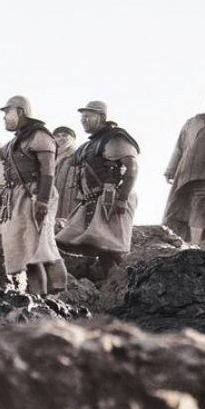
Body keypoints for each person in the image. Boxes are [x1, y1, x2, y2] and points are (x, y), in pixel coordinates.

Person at [56, 101, 141, 280]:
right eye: (82, 116)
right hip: (93, 200)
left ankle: (130, 283)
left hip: (113, 198)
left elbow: (132, 167)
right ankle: (111, 285)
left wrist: (122, 199)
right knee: (100, 247)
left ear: (101, 117)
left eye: (88, 116)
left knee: (115, 248)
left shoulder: (115, 138)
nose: (83, 120)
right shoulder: (88, 146)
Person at [0, 95, 67, 295]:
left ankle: (60, 296)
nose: (4, 117)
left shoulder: (40, 136)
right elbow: (13, 177)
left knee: (45, 248)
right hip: (18, 198)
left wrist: (42, 201)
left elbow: (48, 171)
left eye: (7, 112)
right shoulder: (17, 141)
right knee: (28, 254)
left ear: (20, 111)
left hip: (35, 195)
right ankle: (39, 298)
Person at [164, 102, 205, 246]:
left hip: (196, 175)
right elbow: (180, 147)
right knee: (189, 206)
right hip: (190, 174)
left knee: (198, 204)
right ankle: (193, 243)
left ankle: (195, 243)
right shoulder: (192, 123)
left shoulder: (193, 122)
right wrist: (171, 169)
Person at [51, 125, 80, 224]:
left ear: (73, 138)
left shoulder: (79, 155)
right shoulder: (51, 157)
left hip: (72, 197)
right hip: (54, 197)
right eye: (57, 136)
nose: (61, 138)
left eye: (64, 135)